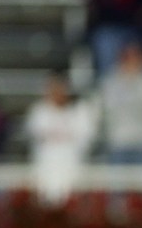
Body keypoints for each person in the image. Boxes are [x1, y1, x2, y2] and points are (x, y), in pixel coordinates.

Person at [24, 71, 98, 205]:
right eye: (53, 88)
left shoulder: (81, 112)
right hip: (46, 170)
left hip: (74, 168)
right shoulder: (39, 112)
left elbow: (86, 143)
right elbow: (36, 140)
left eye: (60, 88)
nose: (57, 92)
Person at [97, 40, 142, 164]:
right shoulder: (110, 80)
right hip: (119, 142)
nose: (132, 60)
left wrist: (132, 83)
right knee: (117, 183)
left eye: (136, 55)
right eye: (128, 56)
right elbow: (110, 108)